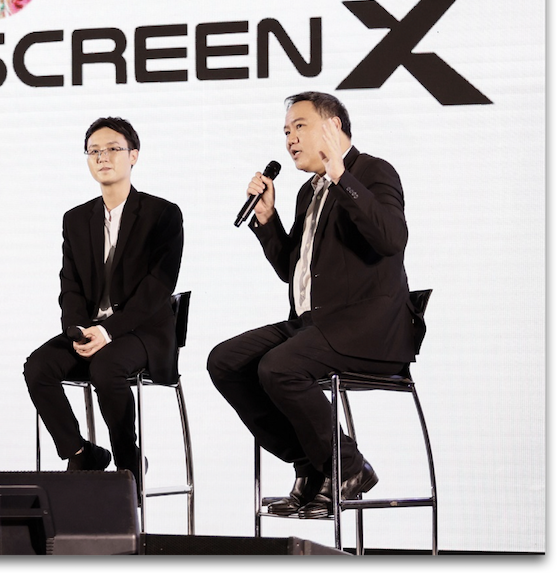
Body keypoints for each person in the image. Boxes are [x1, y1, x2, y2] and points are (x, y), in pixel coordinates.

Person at [207, 91, 424, 519]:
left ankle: (347, 466)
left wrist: (343, 177)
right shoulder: (308, 192)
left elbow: (391, 240)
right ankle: (310, 463)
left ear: (334, 126)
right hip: (315, 325)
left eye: (300, 126)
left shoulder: (373, 172)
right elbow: (292, 270)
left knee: (280, 366)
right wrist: (267, 219)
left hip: (370, 326)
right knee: (226, 361)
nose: (290, 138)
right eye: (286, 131)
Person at [24, 117, 184, 486]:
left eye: (113, 149)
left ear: (134, 155)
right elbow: (70, 284)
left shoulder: (162, 213)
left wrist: (108, 331)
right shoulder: (76, 219)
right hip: (92, 328)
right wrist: (78, 329)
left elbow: (158, 286)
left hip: (143, 332)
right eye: (94, 151)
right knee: (38, 367)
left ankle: (128, 462)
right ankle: (81, 453)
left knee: (106, 367)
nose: (102, 157)